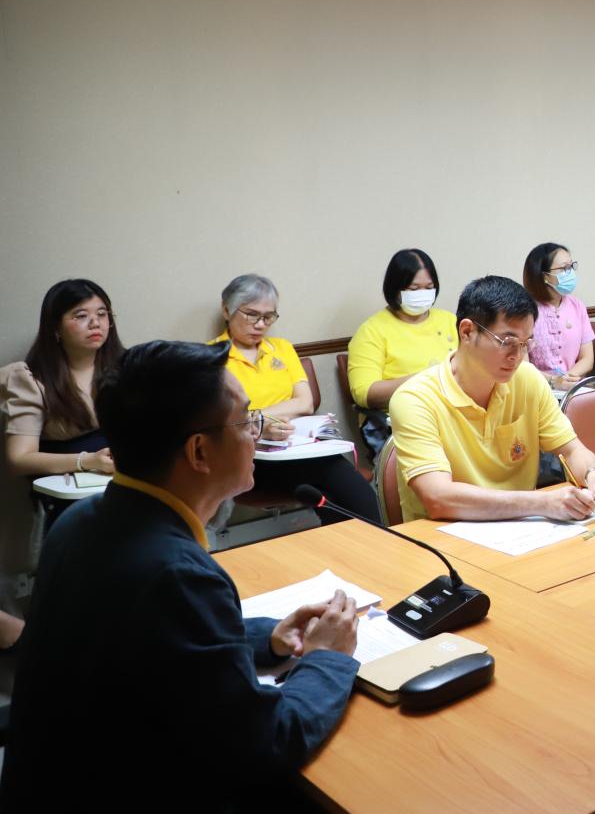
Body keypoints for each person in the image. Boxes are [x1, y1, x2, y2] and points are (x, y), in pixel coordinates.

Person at [0, 340, 360, 808]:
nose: (257, 434)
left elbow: (151, 645)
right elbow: (265, 745)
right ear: (199, 451)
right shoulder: (177, 575)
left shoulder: (80, 521)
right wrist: (326, 658)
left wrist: (266, 640)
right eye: (247, 420)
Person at [389, 275, 595, 523]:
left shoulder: (527, 379)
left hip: (521, 529)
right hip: (443, 536)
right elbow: (438, 498)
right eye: (507, 341)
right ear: (467, 332)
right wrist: (542, 503)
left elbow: (572, 450)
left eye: (525, 343)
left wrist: (594, 474)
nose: (517, 356)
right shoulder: (415, 399)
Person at [215, 274, 380, 523]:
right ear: (227, 310)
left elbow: (305, 403)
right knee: (330, 479)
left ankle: (372, 541)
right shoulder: (212, 357)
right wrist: (262, 427)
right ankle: (371, 540)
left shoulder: (282, 348)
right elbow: (222, 420)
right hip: (251, 461)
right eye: (251, 315)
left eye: (268, 317)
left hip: (298, 449)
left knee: (340, 493)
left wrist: (257, 417)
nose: (260, 324)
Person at [3, 279, 125, 478]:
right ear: (55, 327)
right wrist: (87, 461)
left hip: (125, 479)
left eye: (102, 314)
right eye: (81, 316)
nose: (95, 323)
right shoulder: (30, 379)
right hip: (66, 485)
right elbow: (19, 459)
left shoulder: (127, 366)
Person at [345, 248, 457, 456]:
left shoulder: (450, 321)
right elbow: (364, 393)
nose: (422, 294)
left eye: (429, 287)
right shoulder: (372, 331)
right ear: (395, 289)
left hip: (455, 415)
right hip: (403, 421)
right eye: (414, 288)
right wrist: (427, 378)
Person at [522, 242, 595, 389]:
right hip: (536, 389)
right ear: (545, 276)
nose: (570, 272)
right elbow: (523, 366)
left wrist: (566, 380)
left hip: (572, 387)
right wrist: (553, 381)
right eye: (564, 268)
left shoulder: (577, 305)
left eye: (571, 266)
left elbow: (588, 358)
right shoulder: (525, 310)